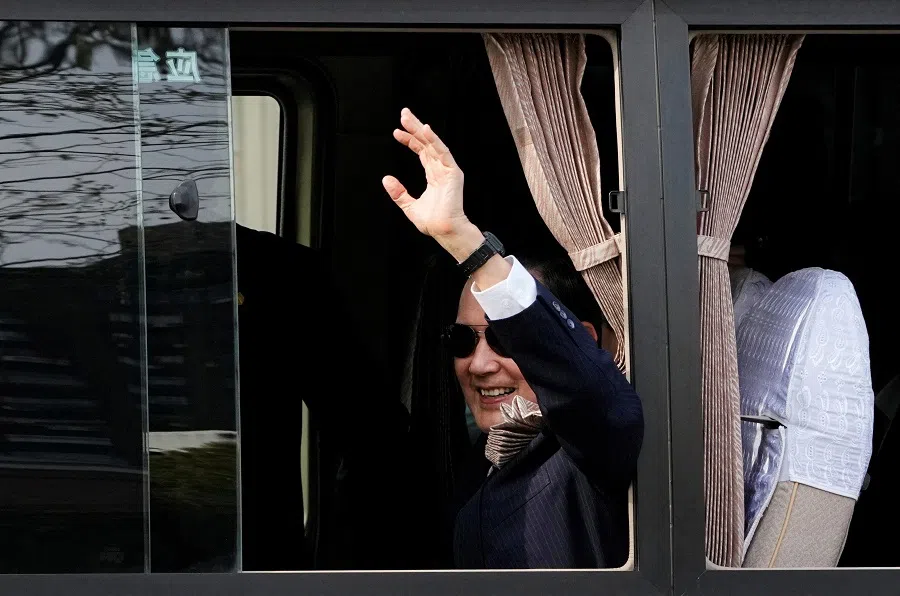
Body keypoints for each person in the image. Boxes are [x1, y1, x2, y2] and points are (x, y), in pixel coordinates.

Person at [381, 108, 644, 569]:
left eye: (506, 339)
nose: (480, 364)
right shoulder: (490, 456)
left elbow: (591, 394)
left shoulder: (596, 445)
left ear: (582, 342)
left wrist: (466, 243)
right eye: (463, 341)